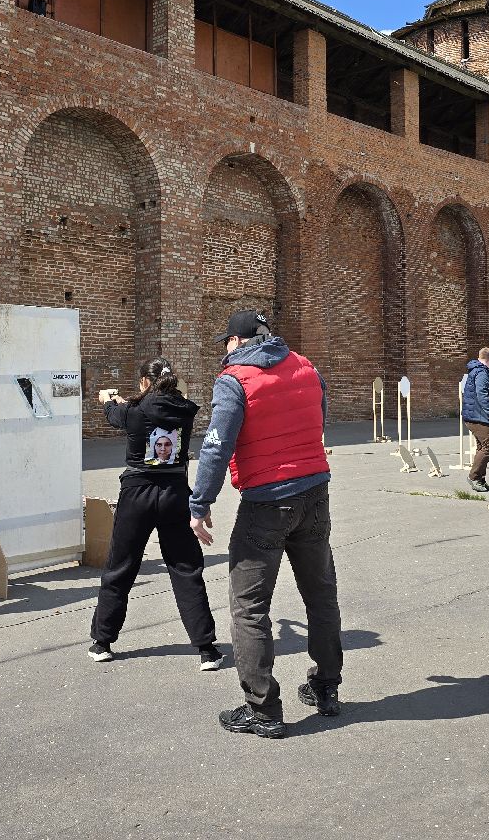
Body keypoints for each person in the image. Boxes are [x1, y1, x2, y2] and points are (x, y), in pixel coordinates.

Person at [189, 310, 342, 739]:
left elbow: (216, 447)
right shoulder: (306, 366)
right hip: (315, 493)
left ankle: (263, 709)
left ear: (236, 342)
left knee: (249, 606)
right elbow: (319, 418)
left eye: (225, 343)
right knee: (320, 593)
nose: (225, 351)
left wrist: (199, 505)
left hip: (266, 503)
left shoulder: (234, 380)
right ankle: (326, 687)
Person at [88, 358, 222, 671]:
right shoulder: (185, 410)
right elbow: (164, 404)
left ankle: (102, 641)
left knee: (120, 566)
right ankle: (206, 649)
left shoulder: (133, 411)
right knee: (186, 568)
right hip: (176, 492)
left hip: (137, 492)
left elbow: (114, 413)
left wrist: (110, 400)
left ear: (145, 382)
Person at [461, 347, 489, 492]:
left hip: (475, 415)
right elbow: (482, 395)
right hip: (478, 417)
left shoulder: (475, 370)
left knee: (482, 447)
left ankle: (480, 480)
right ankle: (474, 477)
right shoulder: (482, 373)